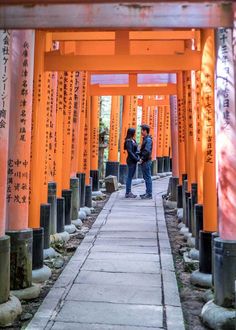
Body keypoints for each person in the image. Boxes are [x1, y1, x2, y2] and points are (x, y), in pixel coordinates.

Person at [124, 128, 139, 198]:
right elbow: (130, 152)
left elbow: (136, 150)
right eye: (134, 132)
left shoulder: (133, 140)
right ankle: (128, 192)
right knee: (129, 177)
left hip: (134, 160)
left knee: (131, 176)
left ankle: (129, 192)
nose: (135, 133)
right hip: (131, 160)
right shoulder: (128, 141)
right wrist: (136, 159)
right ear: (132, 133)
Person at [139, 124, 153, 199]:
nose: (141, 132)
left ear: (145, 131)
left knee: (147, 177)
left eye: (142, 130)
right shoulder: (146, 139)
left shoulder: (148, 140)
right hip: (145, 160)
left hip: (146, 161)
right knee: (146, 177)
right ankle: (147, 192)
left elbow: (147, 151)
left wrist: (142, 158)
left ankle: (149, 194)